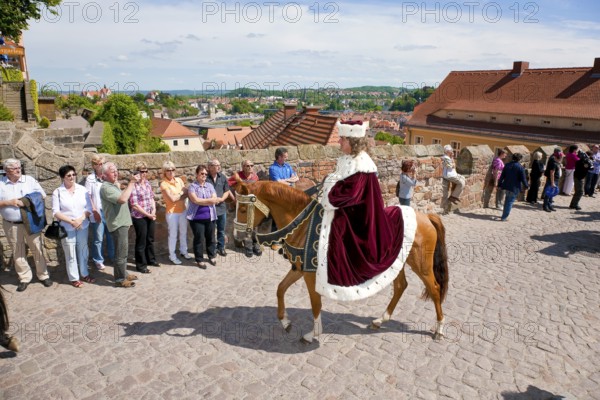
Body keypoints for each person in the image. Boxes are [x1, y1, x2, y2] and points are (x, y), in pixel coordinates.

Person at [316, 120, 404, 300]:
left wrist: (329, 186)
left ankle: (341, 276)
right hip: (352, 210)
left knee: (338, 233)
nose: (339, 142)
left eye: (342, 139)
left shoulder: (361, 164)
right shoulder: (348, 159)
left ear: (353, 142)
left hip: (361, 218)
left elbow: (347, 195)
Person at [0, 159, 52, 292]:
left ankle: (43, 275)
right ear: (6, 171)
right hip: (11, 224)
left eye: (19, 167)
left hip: (31, 222)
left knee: (37, 248)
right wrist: (8, 202)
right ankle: (24, 277)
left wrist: (25, 201)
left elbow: (42, 195)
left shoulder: (29, 180)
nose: (18, 169)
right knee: (18, 251)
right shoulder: (1, 183)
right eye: (14, 168)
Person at [52, 165, 94, 288]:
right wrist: (72, 221)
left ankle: (85, 273)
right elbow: (56, 212)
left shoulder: (82, 189)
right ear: (62, 177)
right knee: (70, 253)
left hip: (82, 225)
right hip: (67, 226)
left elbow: (89, 208)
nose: (72, 177)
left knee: (83, 250)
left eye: (74, 174)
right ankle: (74, 277)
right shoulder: (58, 192)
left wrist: (80, 219)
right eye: (68, 175)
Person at [100, 162, 139, 288]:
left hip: (122, 223)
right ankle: (119, 279)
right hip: (118, 224)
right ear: (104, 175)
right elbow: (122, 199)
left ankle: (124, 273)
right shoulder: (106, 188)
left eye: (116, 170)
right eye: (112, 171)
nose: (116, 173)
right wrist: (131, 183)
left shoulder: (112, 185)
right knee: (121, 253)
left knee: (123, 252)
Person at [187, 165, 219, 269]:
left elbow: (215, 199)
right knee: (199, 239)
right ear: (197, 174)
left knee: (211, 238)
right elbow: (195, 200)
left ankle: (211, 256)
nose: (204, 175)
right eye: (202, 173)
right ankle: (199, 260)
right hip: (197, 218)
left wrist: (203, 201)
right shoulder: (192, 187)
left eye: (205, 174)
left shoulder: (209, 185)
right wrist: (209, 201)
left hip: (210, 217)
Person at [85, 154, 114, 270]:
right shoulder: (90, 179)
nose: (99, 166)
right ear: (93, 165)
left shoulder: (107, 176)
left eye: (101, 163)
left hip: (109, 211)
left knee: (111, 236)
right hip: (98, 211)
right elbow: (88, 196)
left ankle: (112, 257)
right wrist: (94, 210)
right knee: (98, 237)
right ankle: (98, 259)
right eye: (96, 164)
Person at [228, 160, 262, 258]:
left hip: (252, 205)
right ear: (243, 167)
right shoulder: (237, 176)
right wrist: (233, 200)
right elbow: (227, 186)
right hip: (241, 206)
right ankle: (248, 246)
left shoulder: (255, 177)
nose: (250, 167)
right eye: (247, 166)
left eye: (252, 165)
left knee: (254, 225)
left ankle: (255, 243)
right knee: (244, 226)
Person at [129, 162, 159, 274]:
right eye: (142, 171)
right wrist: (148, 214)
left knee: (150, 239)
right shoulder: (133, 185)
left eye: (146, 171)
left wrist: (154, 210)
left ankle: (151, 259)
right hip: (139, 216)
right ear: (137, 172)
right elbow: (134, 205)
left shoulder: (147, 183)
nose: (144, 173)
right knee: (141, 241)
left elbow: (151, 198)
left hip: (150, 215)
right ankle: (141, 265)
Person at [160, 161, 192, 265]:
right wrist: (181, 194)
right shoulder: (163, 183)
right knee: (173, 234)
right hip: (172, 213)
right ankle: (172, 255)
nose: (170, 172)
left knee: (183, 232)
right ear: (164, 172)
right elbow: (172, 199)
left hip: (182, 210)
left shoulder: (179, 180)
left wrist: (180, 195)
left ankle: (184, 251)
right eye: (168, 170)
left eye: (172, 169)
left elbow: (186, 193)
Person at [269, 147, 299, 250]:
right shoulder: (273, 168)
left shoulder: (288, 166)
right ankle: (275, 241)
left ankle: (286, 239)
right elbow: (277, 182)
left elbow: (296, 178)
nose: (286, 158)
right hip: (277, 197)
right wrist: (289, 181)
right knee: (277, 218)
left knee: (288, 218)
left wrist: (286, 180)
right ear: (279, 157)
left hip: (288, 195)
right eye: (285, 157)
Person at [207, 159, 233, 257]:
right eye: (215, 165)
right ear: (209, 167)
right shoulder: (206, 178)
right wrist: (213, 199)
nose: (217, 167)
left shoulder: (222, 177)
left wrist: (222, 199)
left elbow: (226, 190)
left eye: (218, 165)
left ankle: (221, 247)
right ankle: (212, 249)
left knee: (221, 230)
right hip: (209, 208)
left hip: (221, 208)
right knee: (211, 230)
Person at [498, 153, 529, 221]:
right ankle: (504, 217)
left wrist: (499, 184)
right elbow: (523, 178)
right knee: (509, 202)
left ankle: (504, 214)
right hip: (514, 187)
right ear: (519, 159)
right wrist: (526, 186)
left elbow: (502, 176)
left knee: (507, 200)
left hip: (506, 185)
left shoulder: (507, 165)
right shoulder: (520, 167)